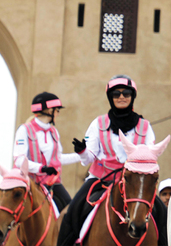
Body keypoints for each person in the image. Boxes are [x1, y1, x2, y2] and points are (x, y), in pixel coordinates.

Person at [57, 75, 159, 246]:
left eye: (126, 93)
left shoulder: (145, 126)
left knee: (161, 212)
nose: (121, 97)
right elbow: (88, 158)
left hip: (133, 181)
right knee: (74, 210)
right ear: (110, 98)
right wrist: (82, 151)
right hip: (101, 180)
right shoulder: (98, 123)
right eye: (116, 94)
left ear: (132, 96)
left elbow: (150, 155)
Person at [13, 91, 80, 211]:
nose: (58, 114)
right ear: (49, 111)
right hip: (29, 182)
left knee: (71, 211)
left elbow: (58, 159)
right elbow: (19, 160)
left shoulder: (54, 132)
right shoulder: (24, 130)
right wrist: (42, 169)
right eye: (57, 110)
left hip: (51, 183)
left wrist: (81, 154)